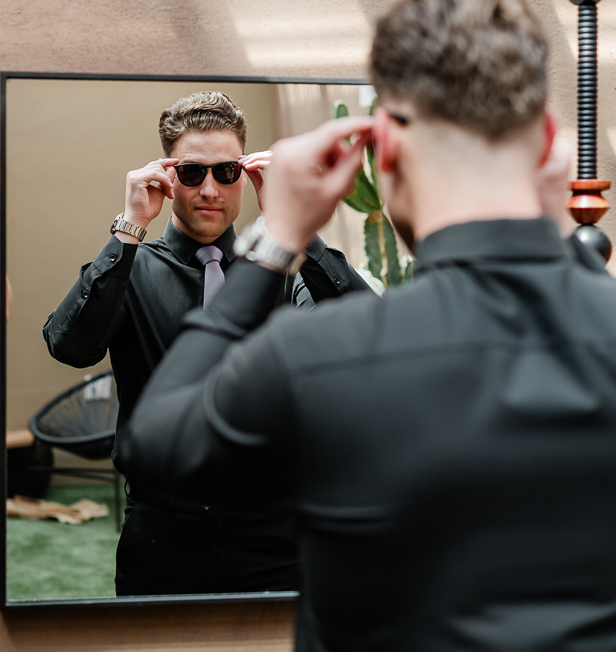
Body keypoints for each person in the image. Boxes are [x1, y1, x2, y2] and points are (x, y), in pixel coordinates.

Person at [121, 0, 616, 650]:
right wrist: (556, 218)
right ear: (549, 145)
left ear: (385, 150)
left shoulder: (316, 358)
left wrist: (277, 238)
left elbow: (153, 445)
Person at [43, 91, 371, 596]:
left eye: (227, 171)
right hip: (162, 532)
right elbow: (70, 347)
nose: (210, 190)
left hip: (274, 532)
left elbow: (363, 330)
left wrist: (296, 227)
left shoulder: (283, 270)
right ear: (168, 176)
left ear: (244, 174)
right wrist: (129, 229)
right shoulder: (130, 268)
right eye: (193, 173)